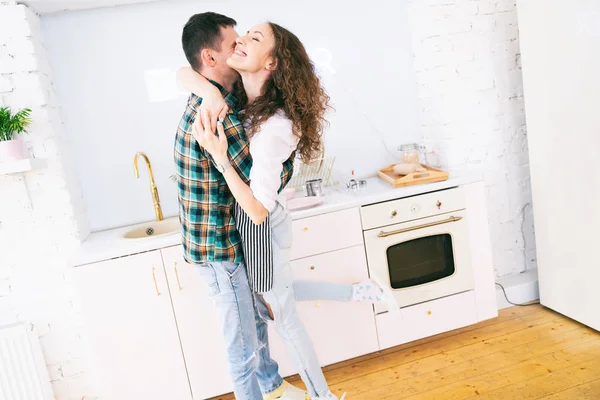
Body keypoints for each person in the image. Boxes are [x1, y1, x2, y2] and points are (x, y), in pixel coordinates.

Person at [181, 20, 397, 400]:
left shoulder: (274, 126)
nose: (243, 41)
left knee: (284, 318)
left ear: (273, 63)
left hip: (260, 225)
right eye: (243, 35)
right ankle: (360, 292)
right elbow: (184, 71)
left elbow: (259, 209)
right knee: (275, 296)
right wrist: (205, 90)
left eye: (254, 38)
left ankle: (323, 396)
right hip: (252, 225)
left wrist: (219, 158)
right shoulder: (241, 101)